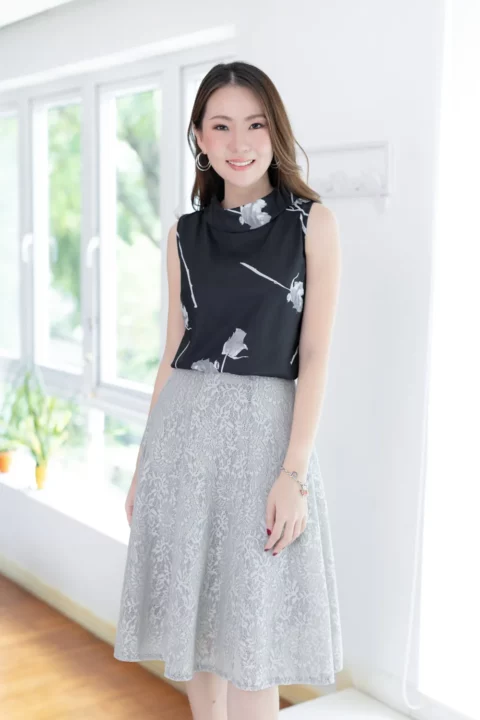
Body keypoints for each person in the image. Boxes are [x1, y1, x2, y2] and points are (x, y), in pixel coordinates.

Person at [113, 60, 343, 720]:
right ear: (200, 137)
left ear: (276, 132)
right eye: (221, 126)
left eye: (254, 124)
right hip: (184, 440)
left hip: (267, 445)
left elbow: (316, 357)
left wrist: (293, 474)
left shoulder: (311, 225)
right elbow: (172, 353)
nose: (239, 142)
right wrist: (143, 467)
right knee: (198, 638)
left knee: (250, 642)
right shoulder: (183, 236)